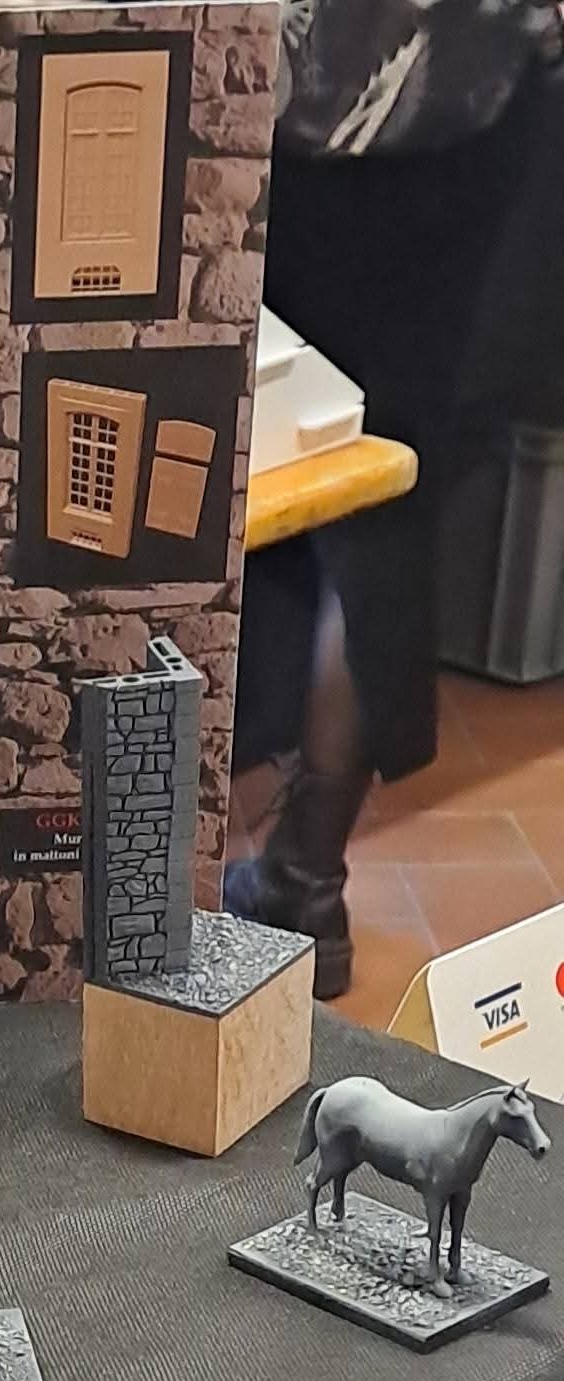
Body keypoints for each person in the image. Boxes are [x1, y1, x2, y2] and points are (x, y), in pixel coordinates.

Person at [224, 0, 564, 998]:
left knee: (234, 461)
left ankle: (155, 880)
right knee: (386, 499)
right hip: (475, 112)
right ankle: (306, 880)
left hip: (293, 123)